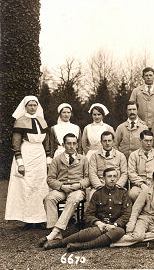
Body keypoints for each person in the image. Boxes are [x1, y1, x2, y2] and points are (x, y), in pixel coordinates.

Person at [43, 168, 131, 251]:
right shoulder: (97, 193)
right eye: (109, 176)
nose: (112, 179)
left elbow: (126, 214)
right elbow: (88, 214)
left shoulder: (123, 193)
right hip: (100, 225)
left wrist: (115, 224)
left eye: (114, 176)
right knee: (89, 233)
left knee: (118, 232)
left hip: (115, 227)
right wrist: (98, 223)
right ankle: (59, 243)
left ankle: (82, 246)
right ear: (104, 179)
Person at [5, 96, 51, 228]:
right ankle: (28, 220)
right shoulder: (20, 121)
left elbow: (46, 141)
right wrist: (20, 162)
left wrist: (48, 158)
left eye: (34, 105)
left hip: (40, 155)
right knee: (27, 186)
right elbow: (16, 143)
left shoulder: (42, 120)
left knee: (41, 186)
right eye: (30, 105)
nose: (32, 107)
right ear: (25, 107)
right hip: (26, 154)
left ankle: (41, 218)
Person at [39, 133, 90, 247]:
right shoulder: (57, 160)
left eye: (74, 143)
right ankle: (57, 234)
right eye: (68, 143)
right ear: (63, 144)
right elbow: (50, 179)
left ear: (77, 145)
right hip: (62, 189)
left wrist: (78, 185)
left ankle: (54, 233)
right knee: (49, 198)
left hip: (76, 189)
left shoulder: (83, 159)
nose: (71, 146)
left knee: (74, 198)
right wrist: (62, 186)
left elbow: (88, 178)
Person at [113, 170, 154, 246]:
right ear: (152, 180)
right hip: (144, 219)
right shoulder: (146, 191)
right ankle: (113, 241)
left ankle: (133, 238)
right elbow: (135, 210)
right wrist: (129, 229)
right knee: (138, 236)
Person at [127, 130, 154, 202]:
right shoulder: (134, 155)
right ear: (140, 140)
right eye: (146, 141)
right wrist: (141, 184)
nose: (149, 143)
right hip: (139, 185)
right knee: (133, 193)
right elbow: (131, 173)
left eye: (151, 141)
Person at [88, 131, 128, 201]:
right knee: (92, 196)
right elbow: (92, 173)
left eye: (109, 140)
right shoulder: (94, 156)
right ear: (101, 142)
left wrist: (118, 186)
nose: (107, 143)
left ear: (113, 141)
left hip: (116, 186)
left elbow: (124, 173)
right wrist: (99, 186)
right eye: (104, 141)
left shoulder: (120, 155)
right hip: (100, 185)